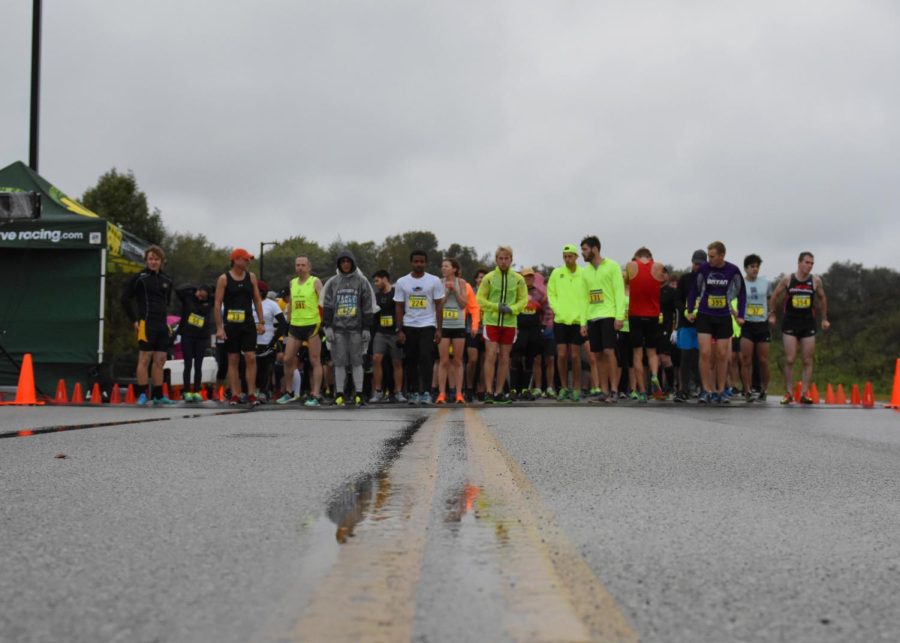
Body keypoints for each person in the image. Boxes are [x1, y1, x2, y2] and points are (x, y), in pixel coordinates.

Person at [685, 241, 746, 404]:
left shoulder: (732, 270)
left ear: (722, 255)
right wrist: (690, 310)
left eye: (712, 257)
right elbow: (694, 289)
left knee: (721, 355)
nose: (709, 260)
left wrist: (741, 314)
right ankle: (706, 390)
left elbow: (742, 292)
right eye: (708, 256)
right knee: (705, 353)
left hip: (723, 316)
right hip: (705, 314)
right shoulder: (704, 269)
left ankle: (720, 390)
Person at [768, 251, 830, 405]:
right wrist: (772, 314)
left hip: (808, 323)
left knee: (807, 360)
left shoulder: (815, 281)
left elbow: (822, 298)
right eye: (807, 262)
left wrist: (824, 319)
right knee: (790, 359)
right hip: (790, 322)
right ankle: (789, 393)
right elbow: (775, 296)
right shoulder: (788, 279)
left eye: (812, 263)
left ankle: (804, 393)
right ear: (799, 262)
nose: (809, 266)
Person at [121, 245, 175, 406]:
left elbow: (166, 303)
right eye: (150, 259)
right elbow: (124, 299)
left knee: (160, 359)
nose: (153, 262)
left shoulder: (167, 280)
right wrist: (134, 320)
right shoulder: (139, 278)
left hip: (161, 324)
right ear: (146, 260)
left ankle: (158, 395)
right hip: (145, 324)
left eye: (156, 259)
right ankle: (143, 394)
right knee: (145, 358)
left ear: (162, 261)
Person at [214, 248, 266, 406]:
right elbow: (217, 303)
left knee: (250, 357)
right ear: (236, 260)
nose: (248, 262)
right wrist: (219, 327)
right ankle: (235, 394)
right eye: (245, 259)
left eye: (249, 259)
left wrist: (261, 322)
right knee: (233, 358)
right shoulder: (224, 279)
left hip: (248, 323)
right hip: (231, 324)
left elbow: (257, 300)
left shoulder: (251, 277)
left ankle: (251, 393)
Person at [321, 250, 374, 406]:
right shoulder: (333, 282)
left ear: (352, 263)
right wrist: (328, 327)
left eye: (348, 261)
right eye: (342, 262)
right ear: (339, 264)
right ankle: (339, 394)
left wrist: (366, 328)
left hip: (356, 329)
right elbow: (328, 306)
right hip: (338, 330)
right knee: (339, 362)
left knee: (357, 361)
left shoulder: (362, 281)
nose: (345, 264)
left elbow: (367, 306)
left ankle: (358, 393)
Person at [477, 245, 528, 404]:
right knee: (491, 355)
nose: (504, 261)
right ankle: (489, 392)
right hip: (492, 322)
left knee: (505, 358)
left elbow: (523, 300)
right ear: (496, 260)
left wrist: (512, 309)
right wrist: (496, 306)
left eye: (507, 258)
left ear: (511, 260)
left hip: (509, 323)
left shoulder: (518, 279)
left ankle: (499, 392)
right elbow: (480, 299)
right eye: (501, 258)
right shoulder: (489, 278)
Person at [579, 236, 626, 403]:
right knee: (597, 354)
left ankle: (614, 390)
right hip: (592, 317)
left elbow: (619, 292)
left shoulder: (612, 266)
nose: (582, 253)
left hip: (608, 315)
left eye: (584, 249)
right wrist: (583, 322)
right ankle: (604, 391)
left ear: (595, 249)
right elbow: (583, 298)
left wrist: (619, 316)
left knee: (609, 351)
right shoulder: (585, 272)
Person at [395, 250, 444, 404]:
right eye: (416, 261)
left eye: (422, 261)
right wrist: (399, 329)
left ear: (426, 263)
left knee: (426, 358)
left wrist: (439, 329)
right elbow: (399, 306)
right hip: (409, 325)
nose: (419, 264)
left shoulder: (434, 281)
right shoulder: (402, 282)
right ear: (411, 263)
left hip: (428, 325)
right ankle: (413, 392)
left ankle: (427, 392)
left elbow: (439, 306)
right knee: (411, 360)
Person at [277, 256, 324, 406]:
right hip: (296, 325)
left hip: (312, 324)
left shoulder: (315, 281)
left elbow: (323, 301)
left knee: (314, 360)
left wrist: (325, 321)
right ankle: (290, 392)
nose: (300, 268)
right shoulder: (292, 282)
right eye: (297, 265)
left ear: (309, 267)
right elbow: (291, 303)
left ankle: (316, 394)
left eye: (303, 265)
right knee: (287, 359)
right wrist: (288, 322)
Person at [625, 247, 667, 402]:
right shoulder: (658, 266)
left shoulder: (630, 265)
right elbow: (664, 279)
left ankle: (642, 391)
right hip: (652, 315)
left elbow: (626, 282)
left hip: (635, 314)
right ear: (651, 257)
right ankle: (654, 376)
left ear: (636, 256)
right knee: (652, 351)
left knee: (637, 353)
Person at [547, 244, 585, 402]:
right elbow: (551, 293)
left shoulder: (584, 274)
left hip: (577, 320)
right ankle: (563, 387)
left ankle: (576, 387)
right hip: (561, 320)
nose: (567, 259)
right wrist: (557, 310)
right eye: (565, 256)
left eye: (570, 256)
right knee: (561, 355)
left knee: (576, 356)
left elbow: (586, 298)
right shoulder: (557, 273)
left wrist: (583, 320)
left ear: (576, 257)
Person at [436, 258, 471, 404]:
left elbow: (463, 305)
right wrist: (445, 291)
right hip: (444, 326)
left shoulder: (461, 282)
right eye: (442, 266)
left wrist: (455, 290)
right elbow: (438, 304)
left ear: (454, 269)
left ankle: (458, 394)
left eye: (446, 266)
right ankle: (442, 394)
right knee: (443, 361)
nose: (443, 268)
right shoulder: (439, 282)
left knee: (457, 361)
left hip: (458, 325)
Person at [673, 250, 706, 402]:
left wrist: (699, 312)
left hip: (703, 324)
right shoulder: (685, 279)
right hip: (686, 324)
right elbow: (677, 300)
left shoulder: (709, 279)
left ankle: (703, 388)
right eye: (695, 263)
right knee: (685, 357)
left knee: (699, 358)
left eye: (701, 263)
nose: (697, 266)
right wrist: (686, 312)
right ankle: (683, 389)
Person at [369, 270, 406, 403]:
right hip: (381, 332)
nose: (376, 284)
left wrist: (400, 330)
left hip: (395, 333)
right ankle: (378, 391)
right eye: (374, 281)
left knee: (397, 362)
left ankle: (398, 392)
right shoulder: (376, 296)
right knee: (376, 359)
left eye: (377, 280)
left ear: (385, 279)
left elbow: (402, 310)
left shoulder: (396, 293)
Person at [510, 267, 546, 400]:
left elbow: (546, 311)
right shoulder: (515, 292)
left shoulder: (539, 293)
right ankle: (514, 389)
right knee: (516, 358)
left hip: (534, 330)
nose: (528, 279)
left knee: (530, 359)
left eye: (530, 277)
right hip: (519, 329)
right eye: (525, 277)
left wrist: (543, 326)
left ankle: (525, 389)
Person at [739, 254, 771, 402]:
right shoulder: (740, 283)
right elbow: (729, 297)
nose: (755, 269)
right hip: (747, 324)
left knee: (763, 360)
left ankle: (764, 389)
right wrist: (735, 315)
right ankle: (747, 390)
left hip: (762, 324)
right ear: (746, 268)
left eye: (757, 266)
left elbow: (772, 298)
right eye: (752, 266)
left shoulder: (765, 282)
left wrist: (772, 313)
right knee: (746, 360)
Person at [175, 283, 212, 402]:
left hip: (201, 337)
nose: (201, 298)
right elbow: (178, 290)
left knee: (198, 365)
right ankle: (186, 391)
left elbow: (217, 292)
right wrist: (194, 288)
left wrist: (206, 293)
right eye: (200, 295)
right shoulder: (188, 298)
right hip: (187, 336)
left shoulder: (209, 302)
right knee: (188, 364)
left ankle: (196, 391)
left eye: (204, 296)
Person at [253, 281, 287, 402]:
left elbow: (283, 323)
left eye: (259, 291)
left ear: (264, 292)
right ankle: (251, 391)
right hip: (250, 341)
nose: (256, 293)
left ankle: (263, 391)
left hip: (267, 341)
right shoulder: (248, 302)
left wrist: (273, 340)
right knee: (250, 368)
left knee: (265, 369)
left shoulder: (271, 304)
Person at [465, 268, 488, 401]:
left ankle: (481, 389)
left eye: (484, 278)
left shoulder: (490, 294)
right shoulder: (470, 291)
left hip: (486, 330)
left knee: (484, 361)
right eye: (480, 277)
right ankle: (468, 388)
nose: (482, 280)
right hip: (471, 330)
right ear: (475, 279)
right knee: (472, 360)